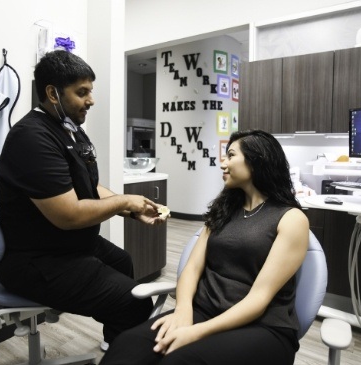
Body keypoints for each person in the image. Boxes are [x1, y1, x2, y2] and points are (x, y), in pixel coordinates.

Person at [0, 50, 168, 350]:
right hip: (36, 260)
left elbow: (89, 185)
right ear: (52, 93)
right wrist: (125, 201)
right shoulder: (32, 138)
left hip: (66, 245)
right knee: (134, 302)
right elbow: (69, 215)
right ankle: (125, 347)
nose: (91, 100)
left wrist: (131, 208)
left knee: (123, 262)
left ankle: (116, 342)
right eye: (82, 92)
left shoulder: (69, 130)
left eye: (91, 91)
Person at [100, 129, 309, 365]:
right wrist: (183, 311)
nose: (223, 163)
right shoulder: (223, 210)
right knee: (128, 345)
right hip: (203, 311)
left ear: (257, 160)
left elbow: (259, 299)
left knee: (178, 361)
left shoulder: (291, 219)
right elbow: (192, 268)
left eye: (230, 156)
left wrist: (196, 332)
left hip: (263, 327)